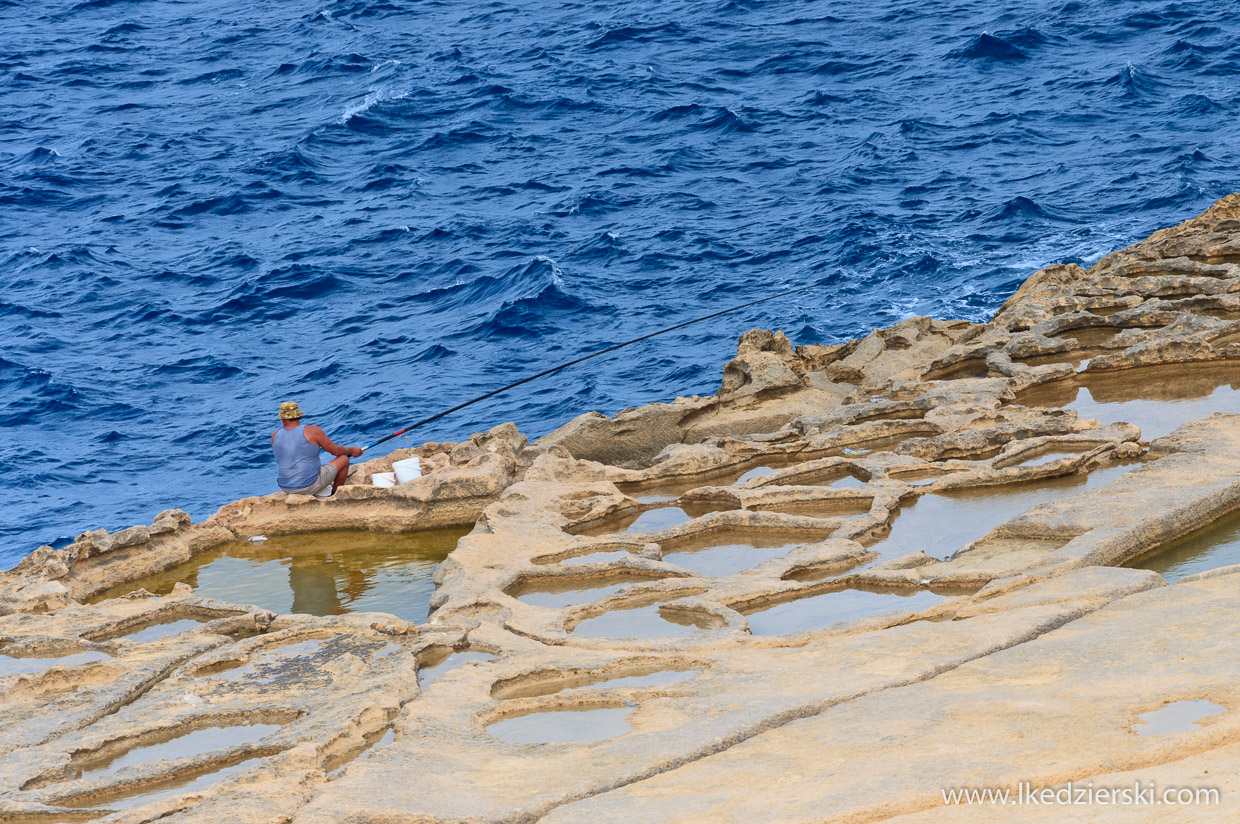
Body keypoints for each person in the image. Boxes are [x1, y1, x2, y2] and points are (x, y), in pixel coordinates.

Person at [271, 401, 362, 498]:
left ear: (283, 419)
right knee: (344, 459)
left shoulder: (275, 435)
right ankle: (335, 496)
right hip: (308, 486)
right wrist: (352, 450)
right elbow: (335, 451)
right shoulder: (312, 431)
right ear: (299, 416)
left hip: (285, 487)